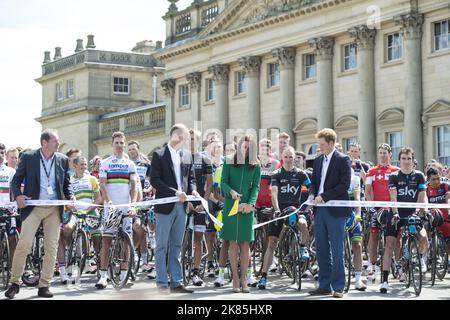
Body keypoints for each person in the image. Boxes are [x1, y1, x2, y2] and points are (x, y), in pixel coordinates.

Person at [5, 129, 73, 299]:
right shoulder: (29, 157)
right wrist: (18, 195)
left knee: (51, 248)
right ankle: (14, 283)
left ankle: (45, 285)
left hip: (54, 210)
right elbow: (16, 180)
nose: (58, 144)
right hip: (33, 208)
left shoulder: (63, 160)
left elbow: (66, 184)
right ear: (44, 142)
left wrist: (70, 198)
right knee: (24, 245)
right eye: (55, 141)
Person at [150, 124, 199, 294]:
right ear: (176, 136)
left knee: (177, 245)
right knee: (162, 245)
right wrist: (175, 192)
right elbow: (154, 180)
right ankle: (162, 282)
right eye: (185, 137)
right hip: (165, 205)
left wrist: (192, 190)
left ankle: (176, 282)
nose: (187, 141)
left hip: (182, 206)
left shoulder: (186, 155)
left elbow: (190, 177)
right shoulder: (159, 154)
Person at [257, 147, 310, 290]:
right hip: (280, 210)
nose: (288, 159)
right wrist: (277, 209)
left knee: (303, 224)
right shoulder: (277, 174)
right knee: (271, 243)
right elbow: (273, 193)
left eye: (290, 157)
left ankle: (304, 249)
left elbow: (311, 188)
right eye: (285, 157)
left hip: (296, 209)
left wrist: (308, 204)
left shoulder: (300, 174)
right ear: (282, 158)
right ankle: (263, 276)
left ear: (294, 158)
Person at [308, 128, 351, 298]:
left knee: (337, 248)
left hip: (336, 210)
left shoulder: (343, 159)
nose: (320, 148)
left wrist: (324, 196)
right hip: (320, 210)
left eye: (323, 145)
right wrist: (312, 194)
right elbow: (314, 182)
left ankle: (338, 286)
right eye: (319, 145)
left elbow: (344, 185)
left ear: (332, 143)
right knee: (321, 248)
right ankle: (324, 284)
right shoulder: (318, 161)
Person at [380, 147, 428, 293]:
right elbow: (393, 196)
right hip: (397, 213)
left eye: (409, 159)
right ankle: (385, 281)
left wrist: (423, 210)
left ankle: (418, 259)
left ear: (413, 161)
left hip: (413, 213)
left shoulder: (419, 175)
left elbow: (422, 195)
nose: (406, 162)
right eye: (404, 159)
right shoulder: (394, 176)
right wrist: (395, 213)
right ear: (399, 160)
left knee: (424, 238)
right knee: (389, 245)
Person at [96, 132, 138, 289]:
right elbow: (102, 185)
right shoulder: (106, 163)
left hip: (125, 206)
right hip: (111, 208)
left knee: (126, 242)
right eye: (117, 143)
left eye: (122, 143)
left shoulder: (130, 164)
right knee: (106, 241)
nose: (119, 145)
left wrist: (133, 204)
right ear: (112, 145)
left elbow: (134, 187)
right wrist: (109, 202)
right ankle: (103, 275)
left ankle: (123, 272)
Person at [221, 135, 261, 293]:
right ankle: (235, 280)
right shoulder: (228, 161)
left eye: (249, 148)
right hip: (231, 205)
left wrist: (251, 204)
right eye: (243, 147)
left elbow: (256, 187)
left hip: (246, 207)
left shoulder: (255, 165)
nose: (245, 150)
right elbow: (223, 181)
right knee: (232, 243)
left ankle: (244, 279)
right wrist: (231, 192)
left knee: (245, 243)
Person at [364, 143, 399, 282]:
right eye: (381, 153)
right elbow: (367, 191)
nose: (383, 155)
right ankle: (372, 266)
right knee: (374, 236)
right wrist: (372, 207)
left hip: (392, 209)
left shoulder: (396, 170)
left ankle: (397, 265)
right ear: (378, 155)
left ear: (390, 155)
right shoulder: (371, 171)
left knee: (397, 238)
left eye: (385, 153)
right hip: (377, 208)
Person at [188, 129, 213, 286]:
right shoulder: (180, 158)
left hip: (200, 204)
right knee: (179, 240)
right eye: (188, 139)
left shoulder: (205, 159)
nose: (191, 142)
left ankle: (196, 272)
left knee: (198, 239)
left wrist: (203, 202)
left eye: (194, 139)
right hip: (184, 202)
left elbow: (209, 184)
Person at [213, 142, 236, 287]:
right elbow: (215, 193)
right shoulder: (219, 170)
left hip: (240, 208)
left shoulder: (242, 168)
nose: (228, 153)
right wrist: (227, 202)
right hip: (227, 208)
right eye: (226, 150)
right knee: (225, 242)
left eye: (231, 150)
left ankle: (248, 274)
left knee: (243, 243)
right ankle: (221, 275)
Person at [128, 140, 152, 273]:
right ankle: (132, 253)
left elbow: (149, 180)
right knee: (134, 228)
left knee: (142, 229)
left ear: (138, 149)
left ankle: (144, 260)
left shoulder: (146, 164)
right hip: (130, 200)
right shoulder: (127, 163)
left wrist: (148, 193)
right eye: (129, 149)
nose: (132, 151)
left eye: (134, 149)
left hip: (143, 201)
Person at [0, 144, 18, 264]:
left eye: (2, 153)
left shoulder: (11, 171)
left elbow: (15, 191)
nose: (0, 155)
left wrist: (14, 206)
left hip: (8, 209)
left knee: (13, 240)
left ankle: (12, 271)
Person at [426, 168, 450, 255]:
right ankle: (426, 254)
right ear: (428, 179)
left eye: (438, 178)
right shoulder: (425, 190)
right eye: (433, 179)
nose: (436, 181)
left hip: (445, 220)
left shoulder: (445, 186)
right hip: (431, 221)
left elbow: (448, 195)